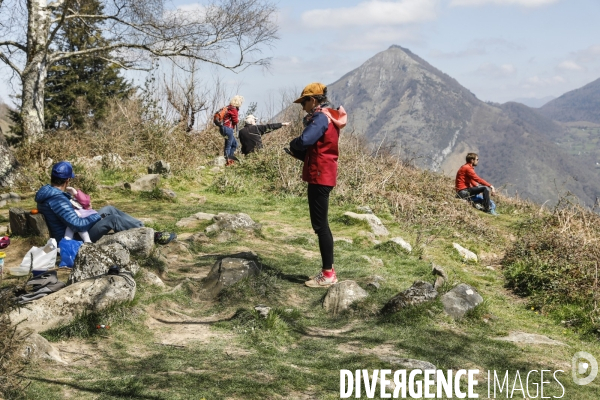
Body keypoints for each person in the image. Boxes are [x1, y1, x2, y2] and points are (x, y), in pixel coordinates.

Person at [287, 83, 347, 288]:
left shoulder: (321, 118)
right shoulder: (329, 116)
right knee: (320, 225)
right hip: (324, 173)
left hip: (320, 175)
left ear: (313, 100)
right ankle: (327, 271)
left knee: (321, 226)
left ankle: (328, 274)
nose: (302, 106)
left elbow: (305, 140)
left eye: (304, 102)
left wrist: (293, 143)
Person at [35, 161, 176, 244]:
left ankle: (143, 230)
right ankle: (150, 237)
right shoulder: (57, 199)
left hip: (77, 229)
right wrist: (96, 216)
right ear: (67, 180)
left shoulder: (51, 193)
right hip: (76, 238)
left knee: (109, 209)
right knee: (112, 219)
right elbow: (77, 225)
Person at [221, 95, 244, 166]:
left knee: (234, 144)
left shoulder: (228, 107)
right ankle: (228, 161)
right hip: (228, 128)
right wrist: (237, 120)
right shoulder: (234, 109)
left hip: (223, 128)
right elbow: (235, 121)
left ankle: (230, 159)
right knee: (228, 146)